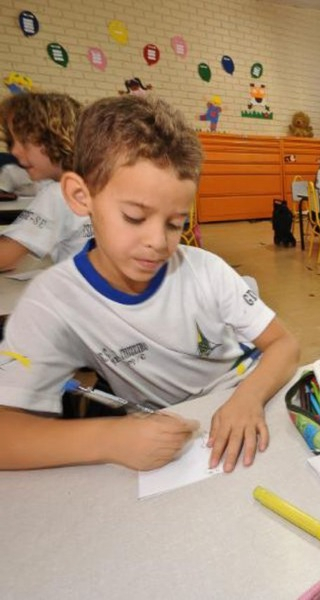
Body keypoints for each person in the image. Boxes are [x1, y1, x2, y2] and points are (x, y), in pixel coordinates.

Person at [0, 95, 300, 473]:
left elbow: (284, 344)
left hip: (251, 394)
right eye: (134, 217)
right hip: (178, 431)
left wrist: (247, 398)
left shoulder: (205, 269)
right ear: (80, 196)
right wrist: (110, 438)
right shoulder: (53, 300)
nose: (159, 241)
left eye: (175, 223)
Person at [0, 92, 92, 271]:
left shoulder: (59, 193)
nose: (15, 151)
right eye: (12, 142)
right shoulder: (95, 182)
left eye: (24, 141)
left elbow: (5, 258)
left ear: (57, 137)